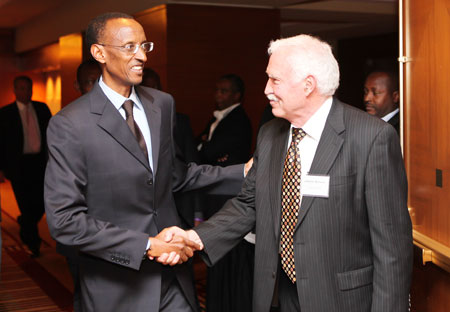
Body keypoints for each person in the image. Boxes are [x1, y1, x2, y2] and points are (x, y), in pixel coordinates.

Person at [163, 34, 413, 312]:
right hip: (277, 296)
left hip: (341, 299)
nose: (267, 89)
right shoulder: (271, 134)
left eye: (275, 80)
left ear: (308, 85)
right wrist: (194, 238)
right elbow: (249, 204)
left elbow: (392, 248)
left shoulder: (372, 137)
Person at [44, 12, 246, 312]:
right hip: (116, 284)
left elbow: (175, 176)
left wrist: (244, 171)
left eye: (144, 46)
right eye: (129, 47)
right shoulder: (70, 124)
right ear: (99, 52)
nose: (141, 56)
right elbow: (64, 221)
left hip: (174, 277)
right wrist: (148, 245)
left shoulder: (161, 104)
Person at [0, 76, 52, 257]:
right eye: (22, 88)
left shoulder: (42, 109)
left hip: (40, 163)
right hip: (18, 166)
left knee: (42, 203)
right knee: (25, 204)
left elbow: (52, 135)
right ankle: (33, 242)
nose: (26, 92)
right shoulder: (5, 113)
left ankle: (25, 223)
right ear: (15, 90)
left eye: (28, 88)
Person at [196, 74, 252, 168]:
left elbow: (210, 152)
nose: (218, 95)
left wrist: (204, 144)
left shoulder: (238, 120)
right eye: (216, 90)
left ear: (236, 95)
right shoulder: (217, 117)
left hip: (227, 176)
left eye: (223, 91)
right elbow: (197, 142)